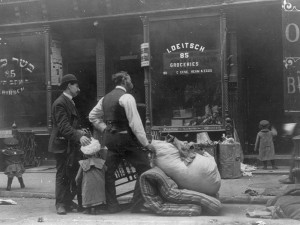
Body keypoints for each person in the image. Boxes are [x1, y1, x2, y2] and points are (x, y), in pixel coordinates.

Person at [89, 71, 155, 213]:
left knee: (109, 172)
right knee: (145, 168)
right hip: (126, 141)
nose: (132, 82)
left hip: (111, 141)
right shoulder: (127, 97)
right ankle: (136, 204)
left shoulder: (105, 98)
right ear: (124, 80)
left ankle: (112, 206)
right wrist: (145, 143)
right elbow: (135, 124)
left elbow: (92, 116)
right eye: (130, 78)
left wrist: (105, 128)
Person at [48, 74, 91, 215]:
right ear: (69, 86)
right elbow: (64, 127)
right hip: (61, 144)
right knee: (62, 174)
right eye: (76, 86)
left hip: (68, 144)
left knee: (70, 174)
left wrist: (80, 130)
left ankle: (66, 201)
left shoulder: (69, 101)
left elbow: (70, 125)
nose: (78, 89)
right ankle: (60, 204)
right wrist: (79, 136)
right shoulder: (61, 103)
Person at [75, 138, 106, 215]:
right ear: (97, 152)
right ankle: (96, 208)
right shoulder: (101, 162)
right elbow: (106, 170)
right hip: (99, 183)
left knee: (87, 194)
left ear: (85, 154)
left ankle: (88, 209)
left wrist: (77, 181)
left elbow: (78, 177)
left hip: (87, 185)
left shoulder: (83, 163)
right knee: (98, 194)